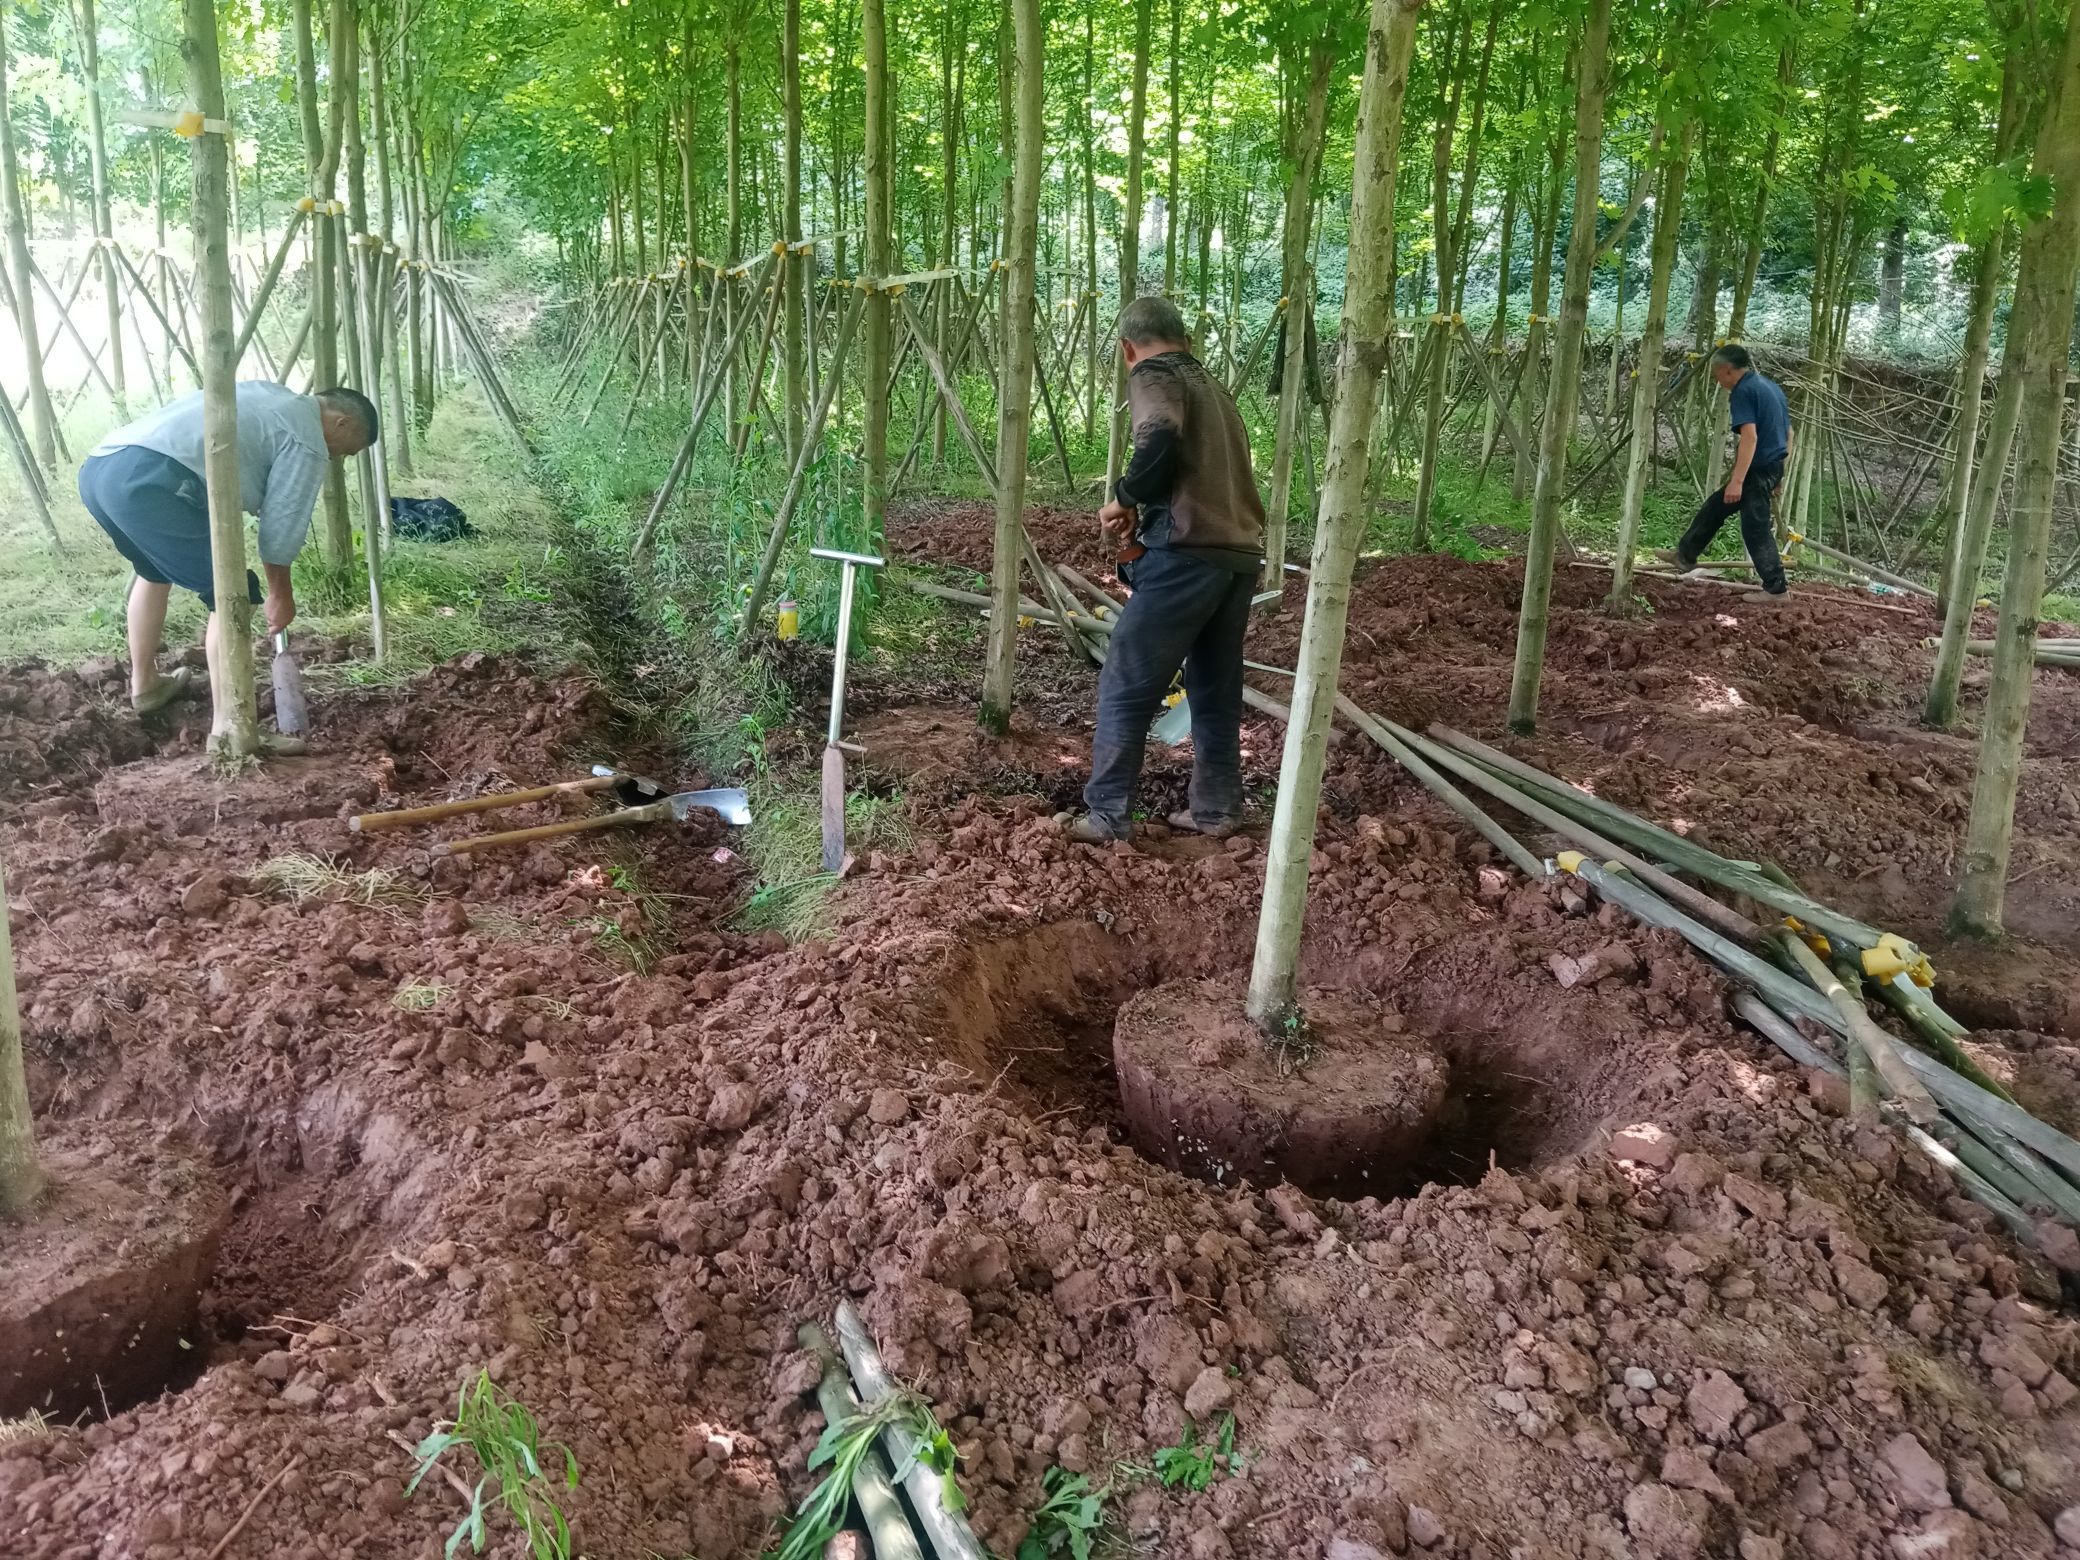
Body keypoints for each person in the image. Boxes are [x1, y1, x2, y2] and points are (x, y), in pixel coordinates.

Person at [1064, 296, 1266, 845]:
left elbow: (1159, 439)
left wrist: (1125, 495)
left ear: (1126, 349)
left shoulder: (1154, 374)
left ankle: (1106, 817)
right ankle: (1216, 808)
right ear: (1188, 339)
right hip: (1237, 555)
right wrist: (1133, 543)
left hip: (1189, 554)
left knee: (1126, 680)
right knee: (1214, 684)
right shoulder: (1216, 390)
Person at [78, 382, 378, 713]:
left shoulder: (267, 392)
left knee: (154, 571)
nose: (338, 458)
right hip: (151, 481)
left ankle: (146, 685)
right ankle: (230, 726)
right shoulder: (307, 438)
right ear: (341, 422)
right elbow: (281, 525)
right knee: (234, 593)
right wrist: (280, 594)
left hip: (101, 468)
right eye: (346, 450)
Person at [1657, 343, 1793, 596]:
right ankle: (1685, 555)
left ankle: (1776, 590)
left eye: (1716, 374)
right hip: (1771, 466)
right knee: (1716, 507)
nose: (1716, 380)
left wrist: (1737, 481)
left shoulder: (1743, 391)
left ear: (1726, 370)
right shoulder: (1770, 387)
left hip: (1758, 469)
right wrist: (1780, 475)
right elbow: (1789, 434)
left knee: (1755, 528)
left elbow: (1750, 438)